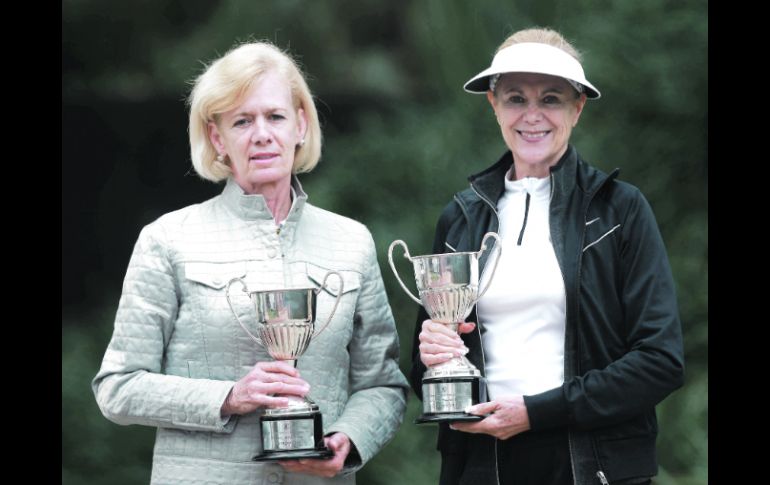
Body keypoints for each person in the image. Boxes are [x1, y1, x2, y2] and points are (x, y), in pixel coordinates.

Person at [92, 40, 408, 485]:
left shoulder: (351, 241)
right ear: (217, 137)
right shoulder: (167, 239)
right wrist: (230, 396)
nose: (262, 133)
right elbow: (117, 388)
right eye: (242, 120)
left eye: (275, 116)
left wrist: (349, 439)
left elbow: (383, 384)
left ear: (300, 125)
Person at [410, 28, 684, 485]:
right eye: (516, 98)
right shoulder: (459, 218)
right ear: (493, 104)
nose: (532, 116)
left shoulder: (620, 210)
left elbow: (660, 361)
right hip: (480, 464)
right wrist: (432, 356)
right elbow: (422, 374)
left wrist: (535, 413)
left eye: (551, 99)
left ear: (577, 108)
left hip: (592, 465)